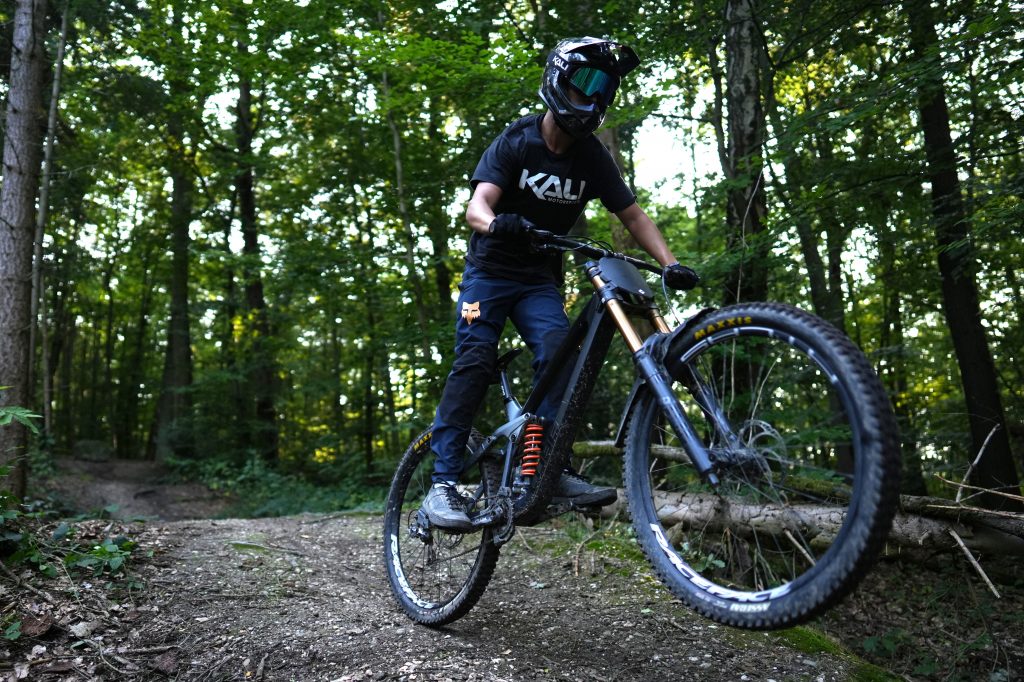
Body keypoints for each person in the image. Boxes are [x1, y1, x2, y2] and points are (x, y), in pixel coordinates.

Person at [423, 36, 699, 530]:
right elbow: (476, 206)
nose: (591, 102)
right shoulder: (518, 141)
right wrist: (496, 222)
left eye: (602, 94)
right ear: (557, 81)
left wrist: (670, 262)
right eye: (583, 88)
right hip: (489, 274)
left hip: (538, 280)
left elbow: (633, 215)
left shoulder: (591, 157)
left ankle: (551, 470)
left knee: (558, 353)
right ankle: (442, 484)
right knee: (475, 358)